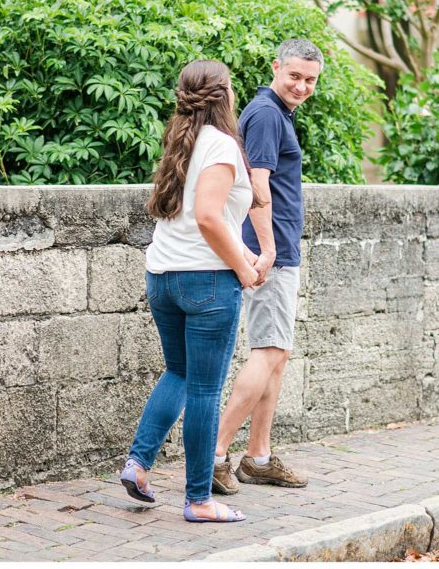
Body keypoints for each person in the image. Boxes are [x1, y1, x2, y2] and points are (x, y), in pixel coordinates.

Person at [119, 60, 263, 523]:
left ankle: (139, 466)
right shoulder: (220, 144)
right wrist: (242, 266)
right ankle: (199, 499)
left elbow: (207, 218)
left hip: (164, 276)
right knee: (204, 389)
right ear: (225, 95)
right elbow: (206, 216)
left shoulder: (183, 138)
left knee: (179, 373)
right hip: (206, 281)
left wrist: (245, 254)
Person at [212, 39, 322, 494]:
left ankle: (257, 457)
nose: (301, 85)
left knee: (277, 354)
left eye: (310, 80)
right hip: (268, 250)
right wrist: (268, 248)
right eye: (294, 75)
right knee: (269, 351)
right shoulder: (265, 114)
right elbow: (257, 186)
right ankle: (214, 455)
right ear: (276, 67)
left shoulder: (277, 114)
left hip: (277, 249)